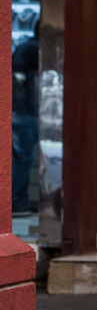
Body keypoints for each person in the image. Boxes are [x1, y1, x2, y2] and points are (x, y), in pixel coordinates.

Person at [12, 24, 39, 216]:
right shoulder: (35, 48)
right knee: (25, 158)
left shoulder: (26, 47)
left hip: (19, 110)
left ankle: (20, 202)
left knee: (23, 158)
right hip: (24, 111)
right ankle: (10, 201)